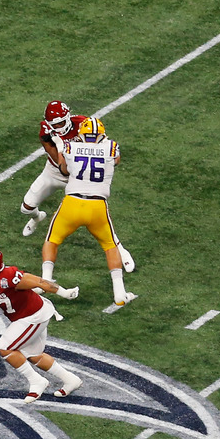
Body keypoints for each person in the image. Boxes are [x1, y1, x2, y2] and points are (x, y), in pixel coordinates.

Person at [19, 101, 135, 272]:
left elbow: (102, 144)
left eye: (61, 123)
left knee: (101, 219)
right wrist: (60, 147)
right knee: (26, 207)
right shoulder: (46, 131)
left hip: (78, 174)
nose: (58, 127)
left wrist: (64, 147)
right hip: (54, 171)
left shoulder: (83, 123)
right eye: (54, 124)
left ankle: (122, 251)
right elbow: (59, 164)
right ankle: (37, 217)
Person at [0, 247, 83, 403]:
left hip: (34, 315)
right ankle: (71, 380)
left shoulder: (9, 277)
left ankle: (37, 381)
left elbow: (42, 283)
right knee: (33, 355)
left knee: (4, 346)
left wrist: (65, 293)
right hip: (26, 317)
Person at [39, 117, 134, 307]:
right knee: (110, 246)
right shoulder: (111, 147)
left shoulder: (70, 147)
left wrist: (61, 146)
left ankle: (46, 281)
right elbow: (116, 161)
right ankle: (119, 294)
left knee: (52, 241)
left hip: (72, 204)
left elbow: (64, 170)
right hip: (97, 206)